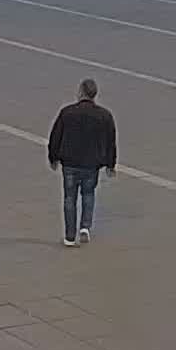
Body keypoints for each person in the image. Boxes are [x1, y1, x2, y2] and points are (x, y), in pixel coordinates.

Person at [47, 78, 117, 247]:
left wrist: (53, 157)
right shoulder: (105, 116)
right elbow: (111, 141)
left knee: (69, 198)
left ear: (81, 92)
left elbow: (55, 136)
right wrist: (110, 164)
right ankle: (85, 227)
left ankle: (69, 237)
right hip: (91, 164)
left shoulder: (67, 112)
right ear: (95, 94)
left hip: (70, 163)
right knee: (88, 194)